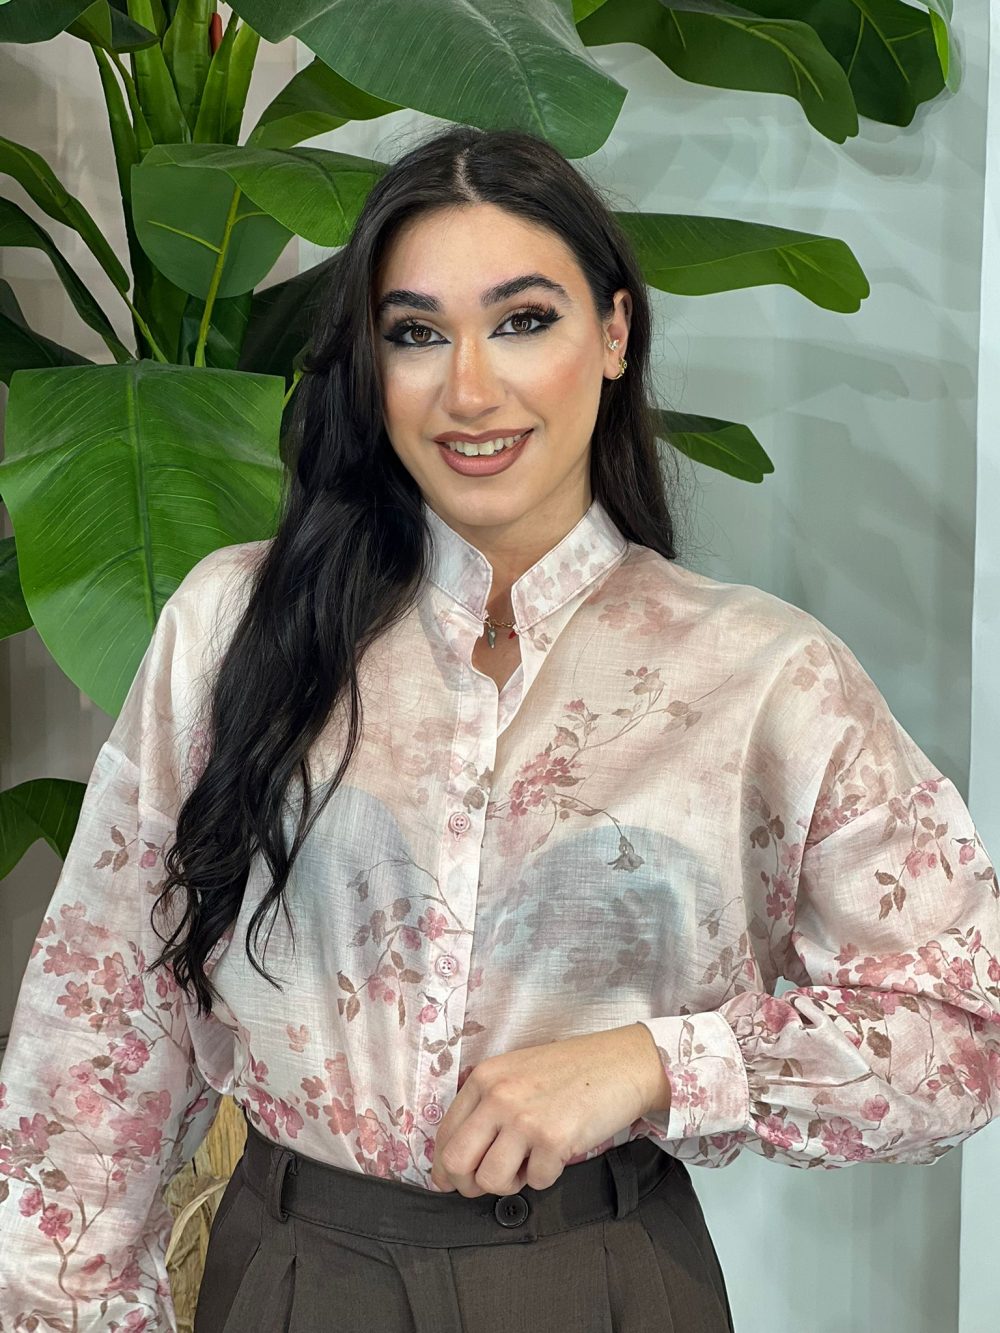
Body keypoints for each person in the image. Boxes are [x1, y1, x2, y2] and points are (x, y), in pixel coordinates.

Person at [1, 122, 998, 1333]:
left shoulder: (763, 678)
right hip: (295, 1280)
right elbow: (101, 1027)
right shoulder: (234, 625)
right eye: (416, 333)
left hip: (606, 1282)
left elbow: (959, 1025)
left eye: (523, 320)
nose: (469, 389)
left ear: (614, 333)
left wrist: (650, 1062)